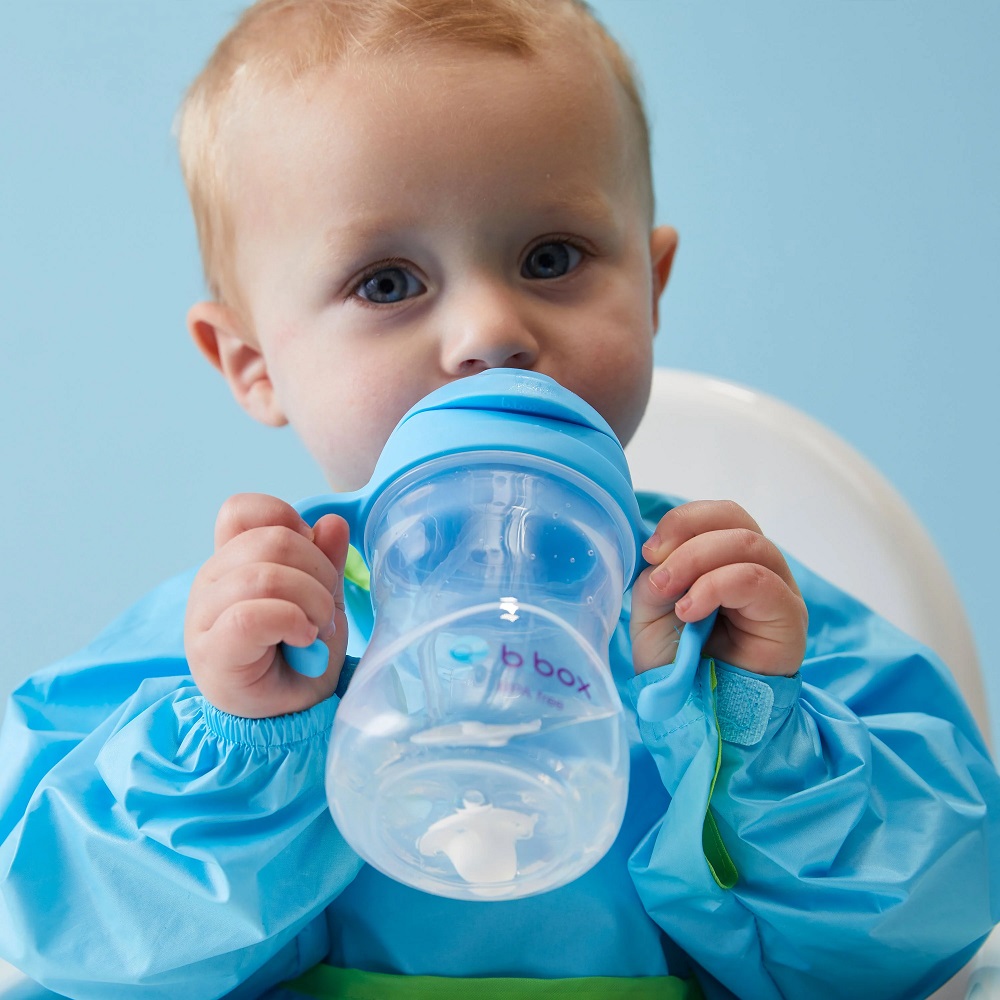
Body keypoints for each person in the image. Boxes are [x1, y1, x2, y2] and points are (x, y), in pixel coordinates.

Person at [1, 1, 998, 997]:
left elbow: (927, 926)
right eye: (387, 282)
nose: (489, 329)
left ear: (650, 291)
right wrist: (243, 744)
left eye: (552, 258)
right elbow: (67, 939)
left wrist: (756, 730)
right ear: (255, 362)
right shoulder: (242, 639)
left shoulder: (729, 614)